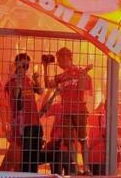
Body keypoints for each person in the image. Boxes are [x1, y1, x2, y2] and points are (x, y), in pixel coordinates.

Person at [43, 47, 93, 175]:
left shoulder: (80, 71)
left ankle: (86, 168)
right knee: (70, 141)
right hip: (66, 112)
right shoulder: (61, 76)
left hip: (80, 110)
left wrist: (83, 74)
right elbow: (48, 84)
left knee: (82, 139)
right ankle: (76, 168)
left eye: (59, 60)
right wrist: (45, 67)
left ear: (66, 58)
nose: (58, 63)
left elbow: (82, 89)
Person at [5, 53, 44, 173]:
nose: (25, 67)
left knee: (34, 157)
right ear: (16, 64)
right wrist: (19, 79)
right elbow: (16, 100)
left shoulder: (29, 79)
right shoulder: (11, 81)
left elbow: (41, 91)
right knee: (26, 157)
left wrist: (37, 79)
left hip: (35, 122)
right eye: (22, 64)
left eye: (27, 65)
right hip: (24, 125)